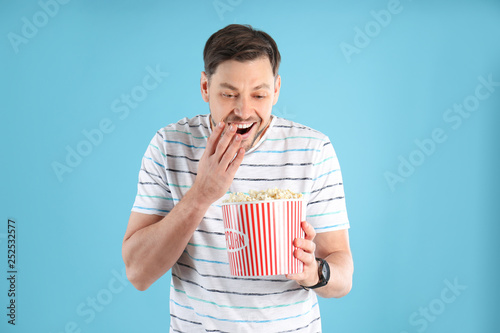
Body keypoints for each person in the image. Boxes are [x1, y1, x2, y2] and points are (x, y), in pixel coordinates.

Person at [122, 24, 353, 332]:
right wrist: (202, 194)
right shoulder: (170, 145)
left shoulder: (313, 150)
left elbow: (342, 275)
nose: (244, 111)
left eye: (259, 94)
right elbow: (139, 273)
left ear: (277, 88)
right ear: (205, 87)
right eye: (229, 94)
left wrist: (315, 273)